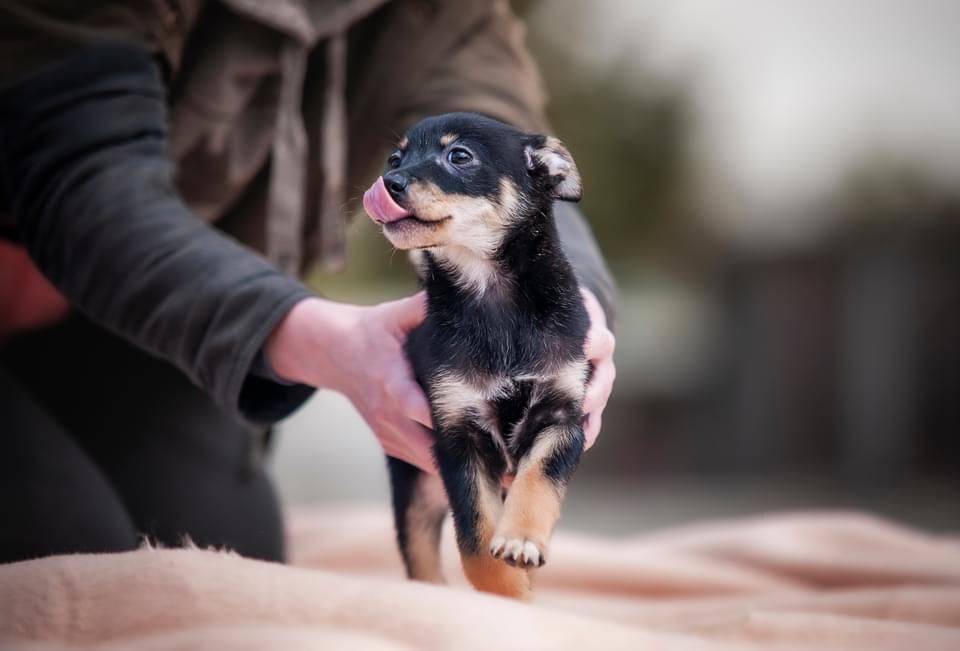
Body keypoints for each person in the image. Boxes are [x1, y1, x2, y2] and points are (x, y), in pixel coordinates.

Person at [0, 0, 617, 565]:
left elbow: (514, 159)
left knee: (228, 554)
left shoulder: (446, 16)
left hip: (134, 332)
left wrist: (576, 304)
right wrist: (324, 341)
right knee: (62, 555)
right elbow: (86, 187)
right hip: (67, 276)